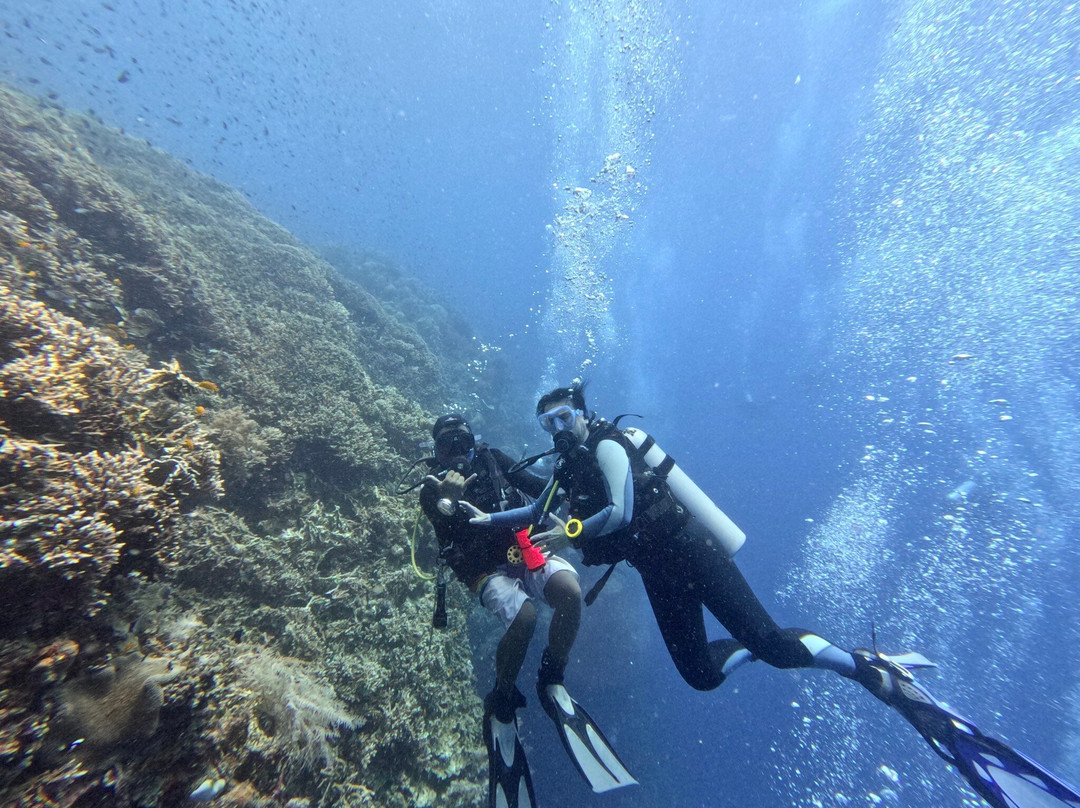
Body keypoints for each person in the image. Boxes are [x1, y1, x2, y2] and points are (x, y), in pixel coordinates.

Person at [462, 383, 1080, 808]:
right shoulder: (568, 469)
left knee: (775, 644)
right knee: (701, 674)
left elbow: (620, 511)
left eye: (563, 417)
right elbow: (532, 506)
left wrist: (568, 529)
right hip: (658, 572)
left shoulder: (607, 445)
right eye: (546, 423)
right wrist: (483, 520)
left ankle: (869, 668)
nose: (556, 429)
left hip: (689, 553)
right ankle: (762, 648)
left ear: (583, 413)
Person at [418, 413, 635, 808]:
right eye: (446, 446)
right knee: (525, 617)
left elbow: (540, 492)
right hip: (479, 565)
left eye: (461, 442)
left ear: (473, 441)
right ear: (435, 452)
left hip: (523, 543)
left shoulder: (493, 459)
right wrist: (446, 499)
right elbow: (439, 526)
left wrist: (572, 486)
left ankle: (551, 678)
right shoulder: (431, 486)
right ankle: (501, 700)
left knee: (568, 590)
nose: (456, 453)